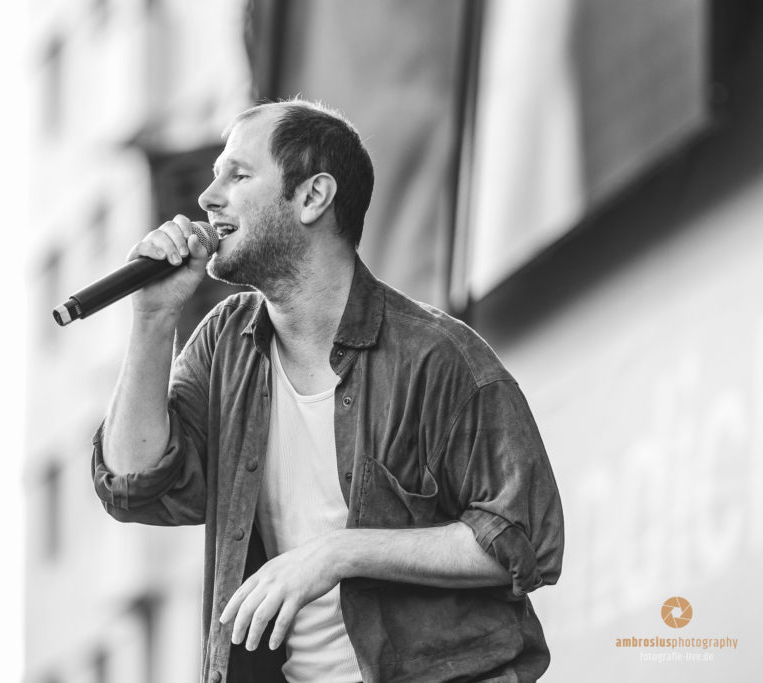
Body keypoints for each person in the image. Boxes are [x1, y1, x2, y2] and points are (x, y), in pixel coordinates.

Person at [91, 100, 564, 683]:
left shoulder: (438, 356)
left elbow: (525, 539)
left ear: (313, 197)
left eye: (238, 175)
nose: (208, 198)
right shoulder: (225, 343)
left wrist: (340, 552)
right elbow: (134, 485)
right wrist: (153, 318)